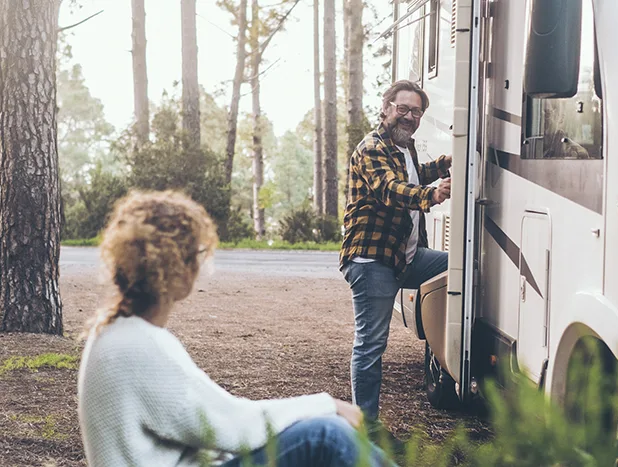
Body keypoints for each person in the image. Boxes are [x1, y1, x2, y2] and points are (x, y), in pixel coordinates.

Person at [77, 190, 394, 467]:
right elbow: (232, 426)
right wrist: (329, 405)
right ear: (178, 265)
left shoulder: (118, 333)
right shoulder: (135, 345)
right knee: (327, 436)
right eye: (199, 254)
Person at [340, 80, 452, 423]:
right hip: (373, 259)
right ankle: (365, 429)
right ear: (386, 107)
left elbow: (418, 173)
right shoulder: (372, 147)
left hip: (404, 257)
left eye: (416, 111)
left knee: (462, 267)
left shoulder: (405, 148)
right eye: (402, 108)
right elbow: (390, 189)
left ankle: (446, 353)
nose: (409, 116)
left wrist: (454, 160)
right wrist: (431, 195)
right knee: (371, 345)